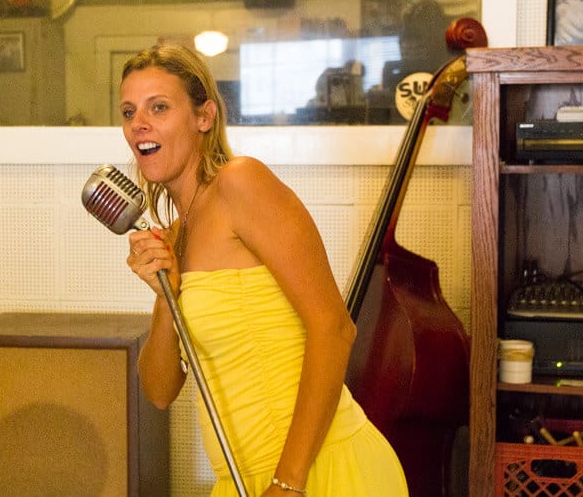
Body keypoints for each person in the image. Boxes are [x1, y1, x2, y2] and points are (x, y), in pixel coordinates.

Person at [119, 43, 408, 497]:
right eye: (129, 111)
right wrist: (164, 292)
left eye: (159, 107)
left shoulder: (241, 183)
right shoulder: (175, 236)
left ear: (204, 117)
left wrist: (287, 483)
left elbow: (334, 327)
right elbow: (158, 390)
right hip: (240, 481)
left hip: (319, 471)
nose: (139, 123)